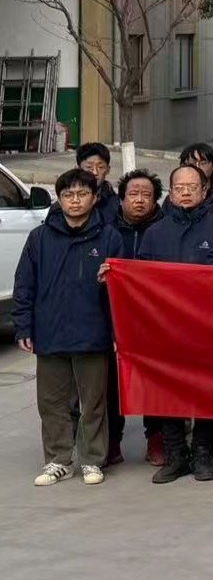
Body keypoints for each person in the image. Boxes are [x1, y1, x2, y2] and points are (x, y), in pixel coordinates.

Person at [138, 165, 213, 484]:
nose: (185, 192)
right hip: (167, 329)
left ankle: (202, 452)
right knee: (168, 392)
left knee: (207, 392)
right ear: (170, 193)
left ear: (205, 191)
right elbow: (140, 276)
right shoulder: (155, 232)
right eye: (179, 187)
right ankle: (175, 455)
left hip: (210, 328)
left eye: (192, 187)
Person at [15, 169, 120, 488]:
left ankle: (92, 459)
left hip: (93, 332)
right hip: (50, 331)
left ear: (95, 197)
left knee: (93, 401)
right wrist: (24, 325)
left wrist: (117, 331)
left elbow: (122, 291)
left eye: (82, 194)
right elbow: (24, 284)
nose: (75, 200)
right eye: (68, 195)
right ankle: (59, 459)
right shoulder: (40, 237)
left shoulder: (109, 236)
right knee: (52, 401)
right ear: (59, 200)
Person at [107, 169, 164, 464]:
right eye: (133, 194)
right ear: (121, 199)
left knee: (152, 379)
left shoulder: (165, 231)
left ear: (156, 200)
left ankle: (156, 439)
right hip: (111, 316)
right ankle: (111, 441)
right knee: (111, 380)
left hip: (152, 319)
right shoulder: (106, 231)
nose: (140, 200)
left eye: (147, 195)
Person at [75, 142, 119, 225]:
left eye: (100, 167)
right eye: (89, 167)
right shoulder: (66, 202)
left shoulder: (117, 204)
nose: (95, 172)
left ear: (108, 170)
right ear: (78, 169)